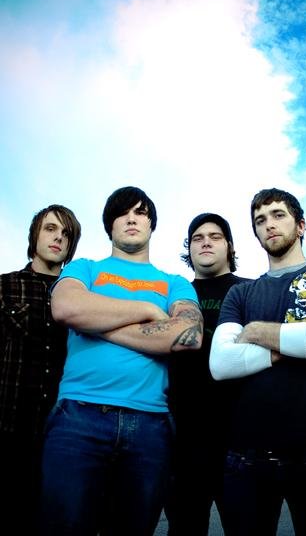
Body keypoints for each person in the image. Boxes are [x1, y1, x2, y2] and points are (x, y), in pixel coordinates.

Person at [40, 186, 203, 536]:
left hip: (150, 425)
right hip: (78, 418)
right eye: (122, 213)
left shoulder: (174, 283)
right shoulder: (85, 268)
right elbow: (66, 308)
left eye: (140, 212)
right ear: (109, 226)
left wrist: (94, 324)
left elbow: (188, 334)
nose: (131, 218)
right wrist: (147, 310)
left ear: (151, 224)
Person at [209, 187, 306, 536]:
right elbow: (221, 363)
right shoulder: (241, 292)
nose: (269, 225)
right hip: (249, 456)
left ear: (301, 225)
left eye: (278, 215)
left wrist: (258, 331)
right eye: (260, 220)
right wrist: (296, 343)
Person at [0, 204, 81, 536]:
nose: (58, 238)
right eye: (50, 229)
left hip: (61, 431)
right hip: (8, 428)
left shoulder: (79, 296)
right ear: (34, 234)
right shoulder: (5, 286)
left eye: (66, 234)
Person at [167, 213, 249, 535]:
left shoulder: (251, 290)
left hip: (240, 439)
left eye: (215, 237)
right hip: (183, 441)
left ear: (229, 245)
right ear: (189, 248)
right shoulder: (175, 295)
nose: (205, 242)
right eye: (197, 238)